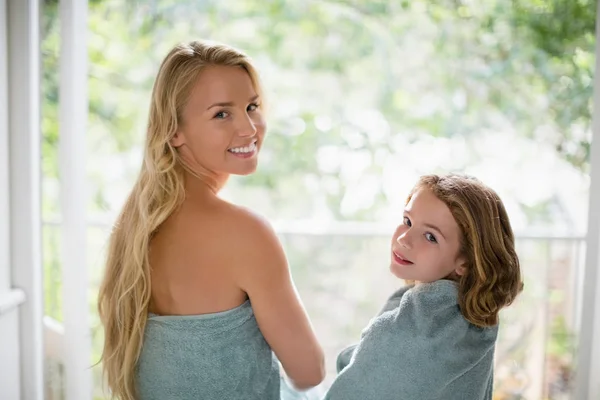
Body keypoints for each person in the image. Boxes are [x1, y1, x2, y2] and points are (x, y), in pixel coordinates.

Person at [97, 40, 325, 400]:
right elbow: (309, 372)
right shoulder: (245, 233)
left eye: (252, 106)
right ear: (174, 130)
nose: (249, 129)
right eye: (222, 114)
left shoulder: (136, 224)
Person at [323, 174, 523, 400]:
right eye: (407, 221)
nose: (404, 239)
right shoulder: (472, 322)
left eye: (430, 236)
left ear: (466, 261)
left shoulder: (417, 328)